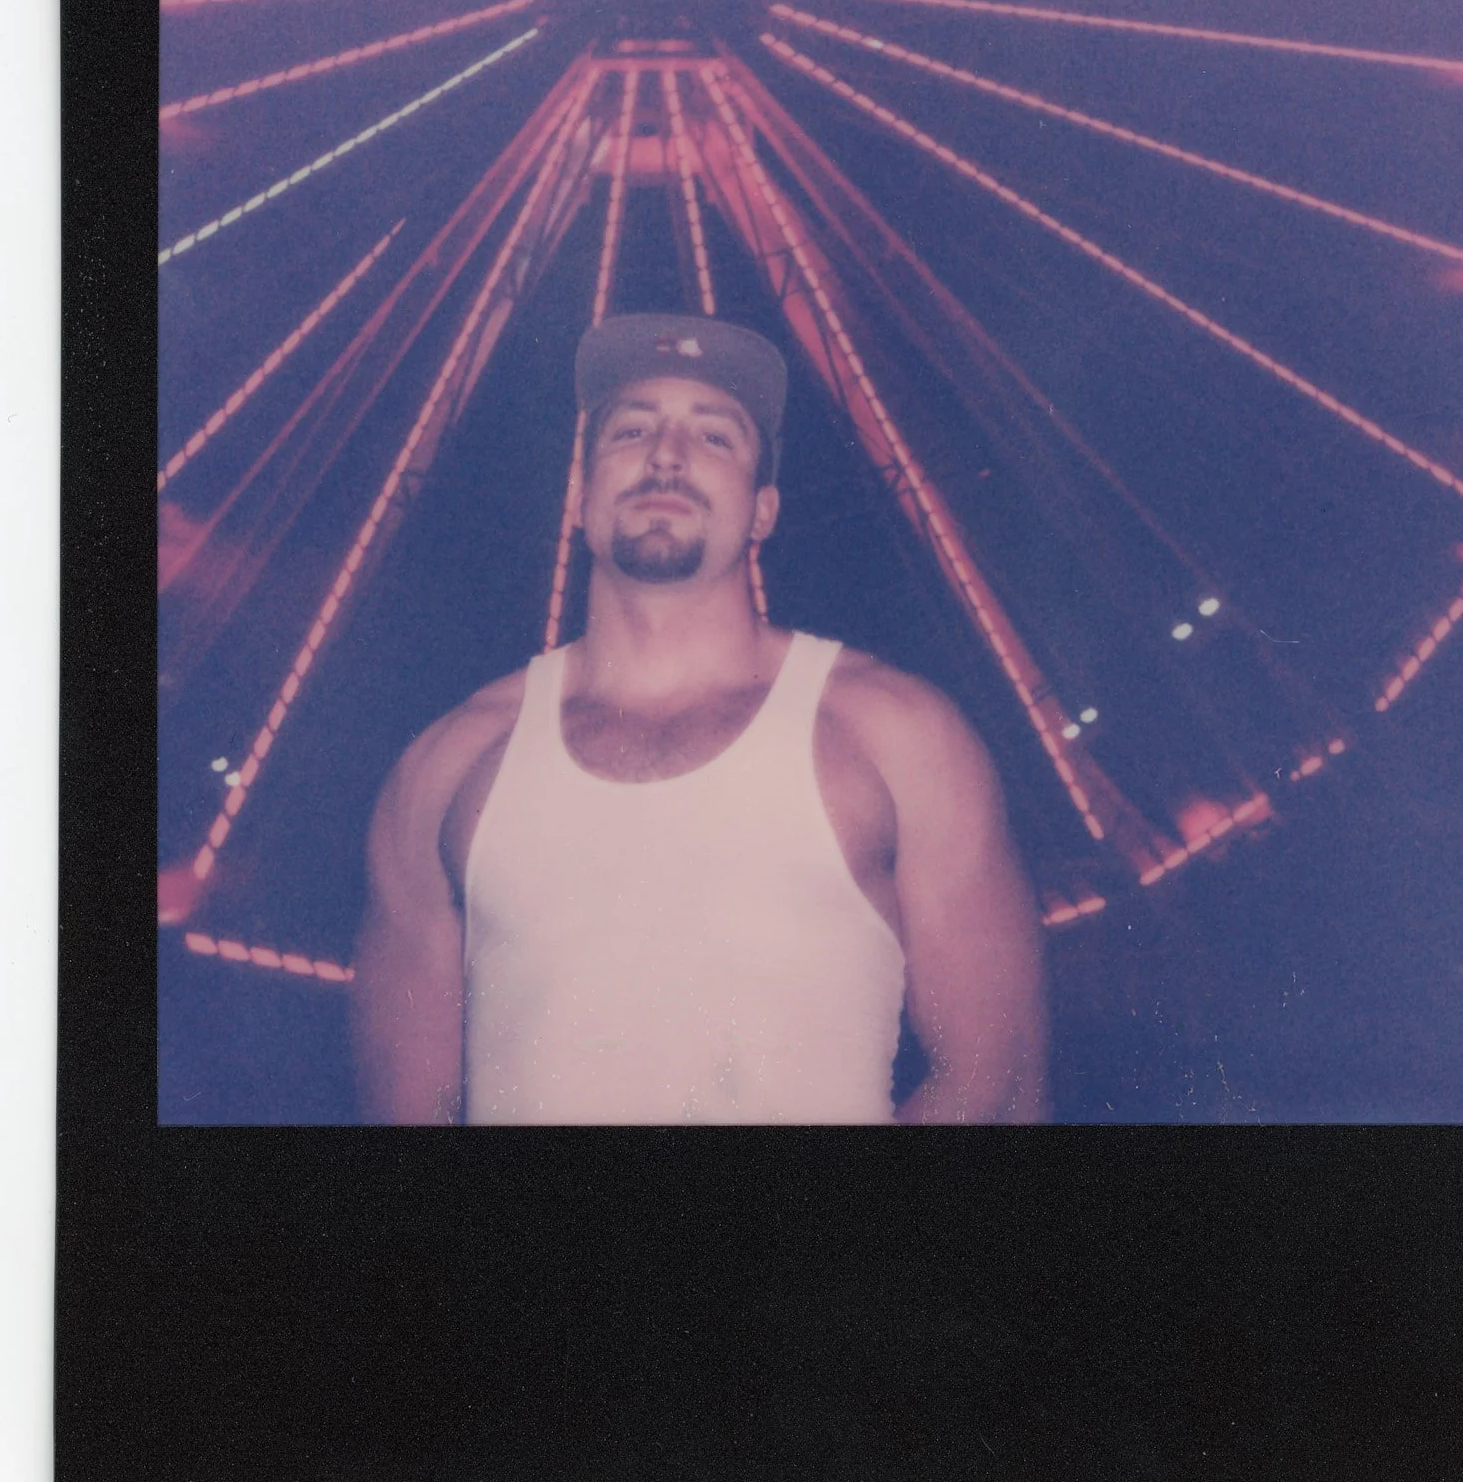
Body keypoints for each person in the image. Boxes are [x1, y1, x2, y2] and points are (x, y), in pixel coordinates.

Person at [352, 311, 1048, 1125]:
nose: (666, 454)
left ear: (762, 512)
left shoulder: (901, 736)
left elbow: (997, 1084)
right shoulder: (445, 767)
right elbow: (404, 1105)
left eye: (715, 437)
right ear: (577, 499)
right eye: (631, 430)